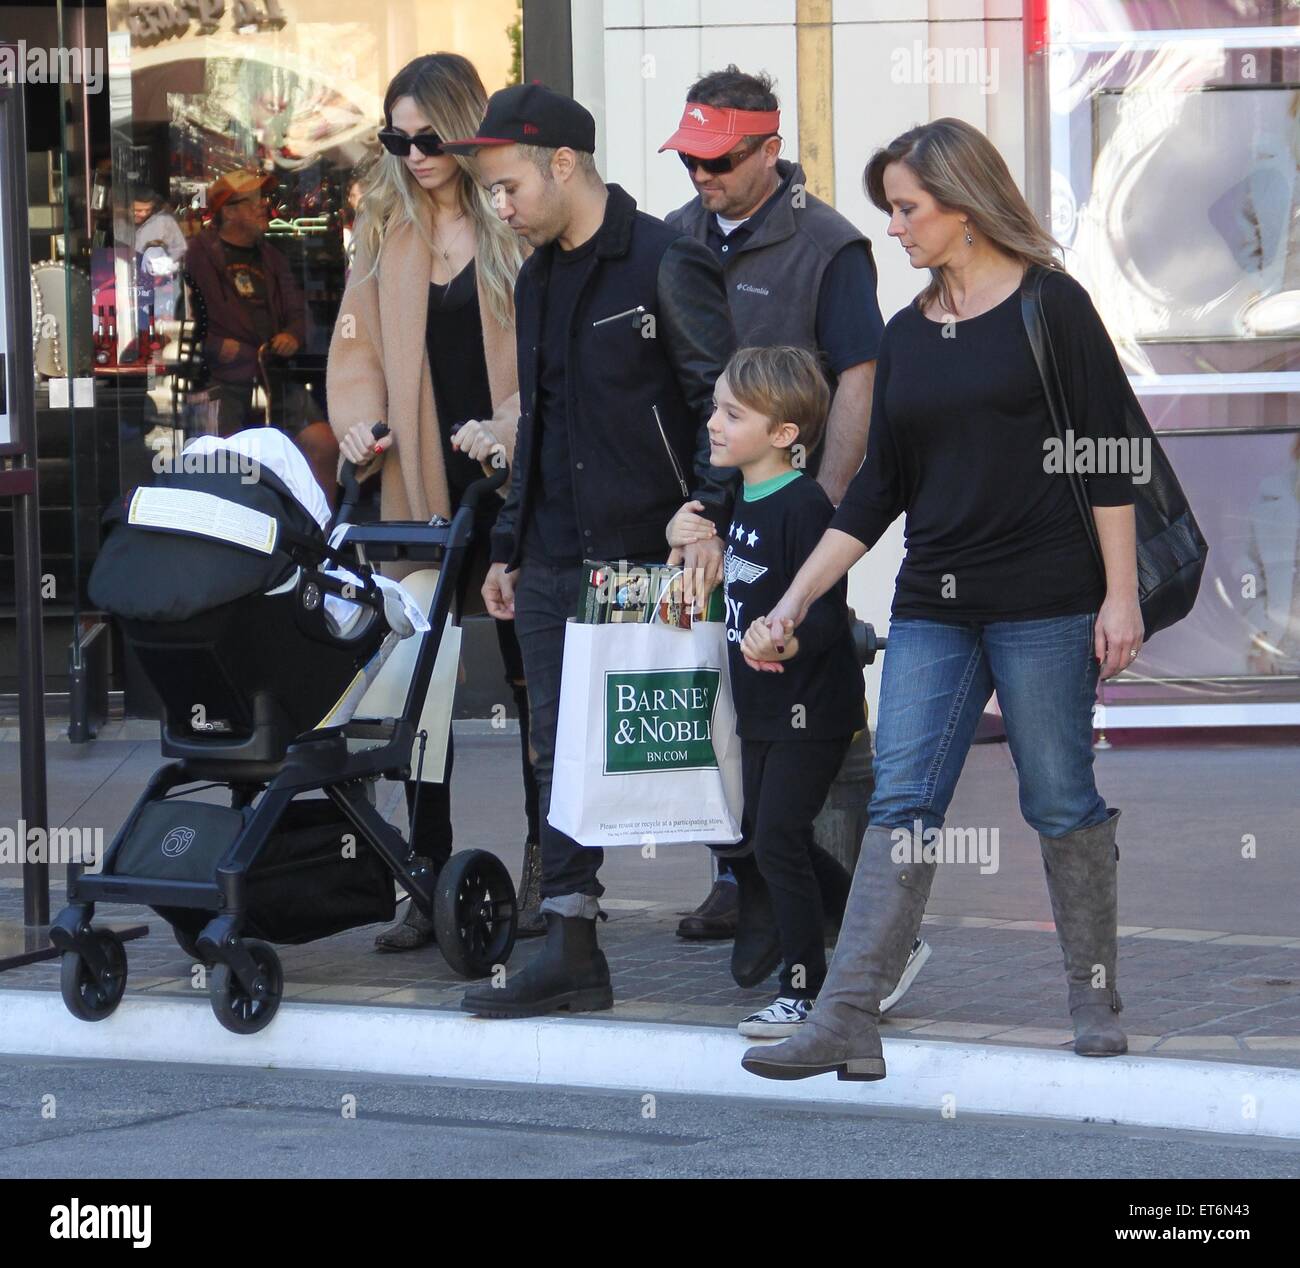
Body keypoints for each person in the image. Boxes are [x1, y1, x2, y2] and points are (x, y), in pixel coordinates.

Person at [740, 118, 1142, 1083]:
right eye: (889, 210)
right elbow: (878, 488)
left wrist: (1119, 596)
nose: (896, 227)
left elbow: (1110, 455)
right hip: (933, 605)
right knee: (904, 799)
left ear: (963, 208)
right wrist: (793, 599)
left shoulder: (1055, 307)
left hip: (1047, 602)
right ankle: (848, 1014)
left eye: (909, 208)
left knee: (1058, 798)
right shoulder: (906, 334)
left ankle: (1093, 995)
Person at [443, 83, 737, 1018]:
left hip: (649, 553)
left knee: (685, 740)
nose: (500, 206)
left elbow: (720, 405)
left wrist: (707, 509)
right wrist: (507, 540)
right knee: (555, 753)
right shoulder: (535, 279)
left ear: (562, 164)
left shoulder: (665, 259)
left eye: (507, 185)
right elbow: (539, 423)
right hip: (553, 554)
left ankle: (771, 895)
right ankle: (574, 947)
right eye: (488, 192)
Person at [659, 65, 892, 950]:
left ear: (771, 148)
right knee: (726, 695)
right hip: (705, 508)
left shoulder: (830, 245)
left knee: (812, 684)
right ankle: (746, 874)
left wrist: (821, 516)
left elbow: (859, 381)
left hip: (794, 511)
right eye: (689, 161)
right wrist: (693, 511)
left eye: (720, 161)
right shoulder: (676, 236)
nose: (702, 179)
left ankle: (850, 923)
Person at [326, 53, 542, 948]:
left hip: (510, 476)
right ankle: (428, 873)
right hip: (420, 482)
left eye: (426, 138)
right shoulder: (385, 231)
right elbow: (356, 348)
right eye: (394, 139)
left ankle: (550, 873)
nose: (410, 156)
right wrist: (359, 424)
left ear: (462, 130)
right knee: (424, 686)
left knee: (535, 684)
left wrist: (507, 430)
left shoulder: (515, 223)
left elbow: (547, 361)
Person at [667, 346, 864, 1037]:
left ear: (784, 435)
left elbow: (832, 616)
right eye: (716, 407)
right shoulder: (740, 496)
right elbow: (720, 574)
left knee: (778, 836)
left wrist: (789, 641)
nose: (714, 424)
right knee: (766, 834)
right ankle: (883, 938)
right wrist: (682, 534)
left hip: (814, 707)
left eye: (732, 414)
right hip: (760, 707)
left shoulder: (804, 506)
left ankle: (803, 991)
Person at [185, 169, 339, 502]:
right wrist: (213, 346)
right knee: (229, 462)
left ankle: (321, 536)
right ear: (229, 211)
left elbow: (298, 310)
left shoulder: (271, 256)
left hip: (274, 373)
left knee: (324, 445)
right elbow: (184, 317)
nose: (264, 207)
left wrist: (293, 335)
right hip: (225, 379)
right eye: (254, 201)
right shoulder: (199, 254)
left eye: (263, 199)